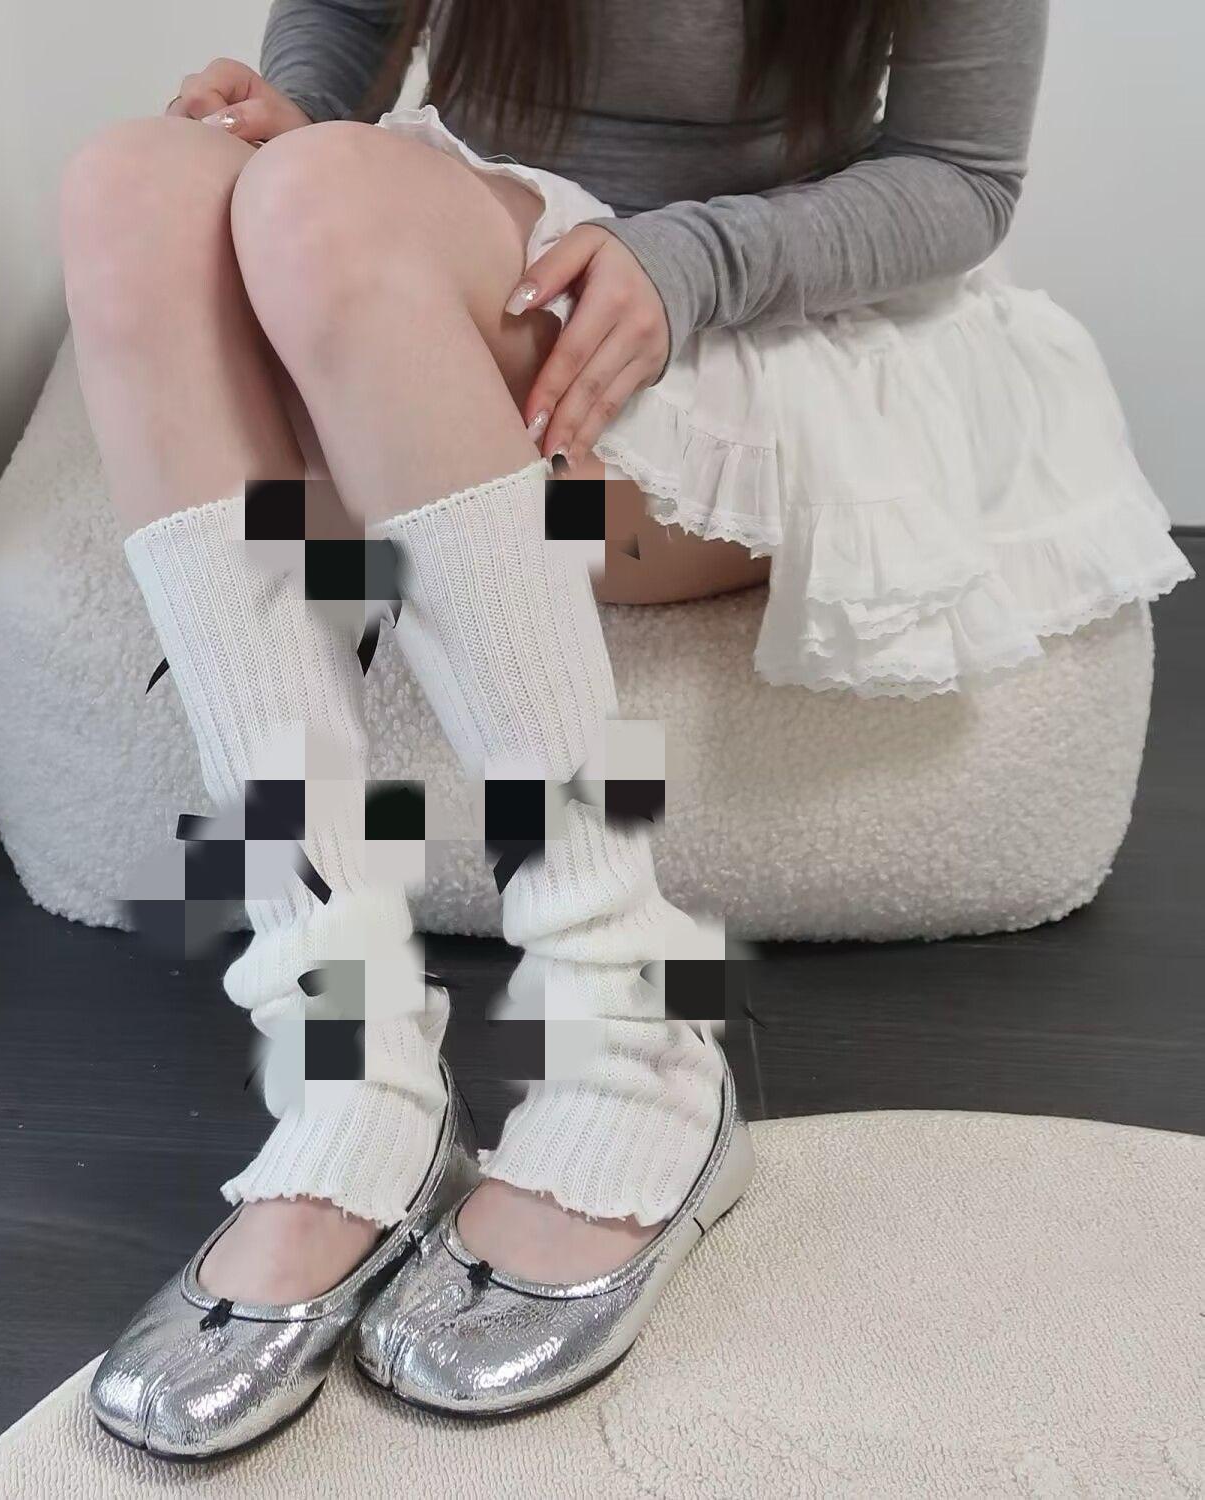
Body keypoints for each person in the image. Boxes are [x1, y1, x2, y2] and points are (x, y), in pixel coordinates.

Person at [62, 0, 1190, 1458]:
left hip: (721, 324)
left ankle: (634, 1027)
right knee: (138, 185)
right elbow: (343, 20)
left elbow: (962, 177)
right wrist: (300, 112)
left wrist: (682, 264)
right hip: (431, 275)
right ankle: (345, 1050)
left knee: (326, 207)